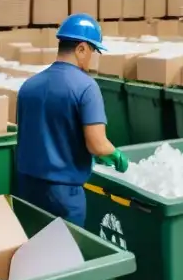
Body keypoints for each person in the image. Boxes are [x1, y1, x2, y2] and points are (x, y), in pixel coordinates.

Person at [14, 13, 129, 227]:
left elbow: (36, 133)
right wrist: (114, 154)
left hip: (26, 187)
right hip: (63, 194)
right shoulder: (86, 87)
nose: (93, 57)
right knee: (67, 254)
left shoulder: (28, 86)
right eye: (93, 50)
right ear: (81, 48)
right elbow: (97, 143)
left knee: (34, 250)